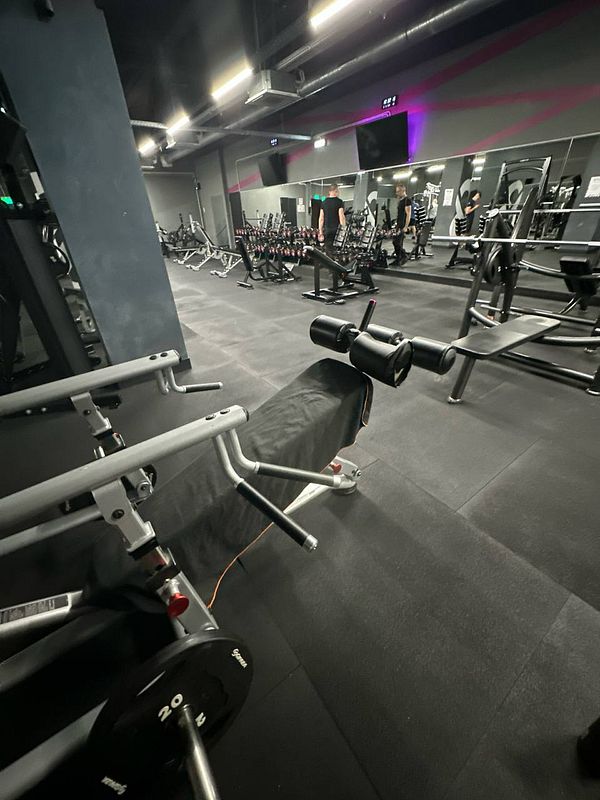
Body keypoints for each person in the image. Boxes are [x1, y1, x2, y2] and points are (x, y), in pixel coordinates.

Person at [318, 184, 345, 258]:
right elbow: (341, 217)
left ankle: (330, 267)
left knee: (329, 250)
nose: (338, 192)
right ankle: (337, 267)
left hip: (328, 230)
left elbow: (321, 218)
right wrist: (344, 230)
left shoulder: (324, 202)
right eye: (337, 191)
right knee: (338, 250)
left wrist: (320, 231)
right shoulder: (339, 202)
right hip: (337, 230)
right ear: (335, 191)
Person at [392, 183, 411, 266]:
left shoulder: (407, 200)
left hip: (403, 225)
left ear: (403, 191)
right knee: (395, 242)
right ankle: (398, 259)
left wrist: (406, 227)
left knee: (397, 242)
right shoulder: (401, 200)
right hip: (398, 224)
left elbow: (408, 214)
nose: (397, 193)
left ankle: (404, 256)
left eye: (398, 191)